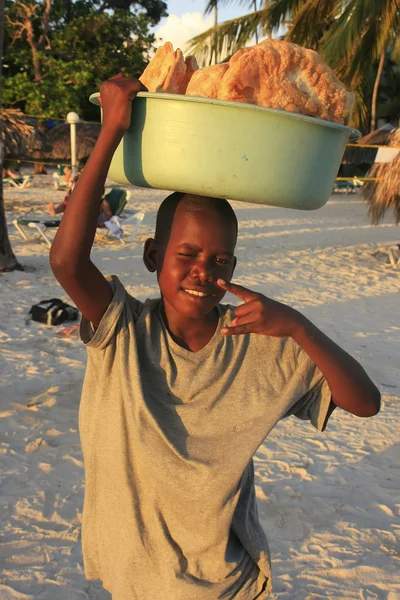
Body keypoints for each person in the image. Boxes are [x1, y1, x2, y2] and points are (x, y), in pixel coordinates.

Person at [49, 73, 381, 600]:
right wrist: (111, 128)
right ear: (153, 257)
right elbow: (67, 260)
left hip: (224, 584)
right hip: (133, 577)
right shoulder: (123, 331)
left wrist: (297, 324)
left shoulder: (260, 343)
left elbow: (365, 404)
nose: (203, 272)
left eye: (220, 260)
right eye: (186, 256)